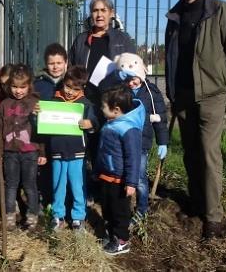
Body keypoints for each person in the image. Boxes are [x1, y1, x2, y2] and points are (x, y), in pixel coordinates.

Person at [164, 0, 226, 239]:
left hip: (212, 94)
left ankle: (213, 217)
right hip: (184, 96)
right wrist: (171, 92)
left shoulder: (222, 11)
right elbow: (171, 57)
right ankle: (197, 204)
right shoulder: (174, 16)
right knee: (190, 154)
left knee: (209, 155)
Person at [100, 52, 169, 220]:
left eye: (134, 78)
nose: (131, 83)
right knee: (124, 174)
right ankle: (123, 203)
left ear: (141, 73)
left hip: (142, 143)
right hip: (121, 143)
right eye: (127, 79)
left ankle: (142, 208)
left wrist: (162, 142)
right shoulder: (122, 92)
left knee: (139, 177)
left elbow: (160, 118)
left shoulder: (151, 94)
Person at [37, 66, 99, 231]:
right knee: (58, 185)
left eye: (75, 88)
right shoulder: (53, 102)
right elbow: (43, 123)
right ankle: (58, 216)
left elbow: (95, 124)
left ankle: (78, 217)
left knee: (78, 186)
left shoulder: (86, 105)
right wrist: (39, 114)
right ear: (63, 83)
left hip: (78, 154)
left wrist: (89, 124)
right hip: (57, 152)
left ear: (82, 88)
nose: (70, 91)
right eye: (68, 86)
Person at [95, 85, 144, 255]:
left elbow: (133, 158)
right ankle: (111, 234)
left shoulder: (129, 129)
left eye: (103, 106)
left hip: (120, 180)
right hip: (107, 176)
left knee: (120, 211)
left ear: (115, 110)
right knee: (107, 208)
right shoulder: (111, 123)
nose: (101, 109)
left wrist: (131, 182)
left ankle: (122, 241)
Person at [0, 64, 47, 230]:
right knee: (11, 185)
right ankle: (9, 215)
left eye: (22, 87)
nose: (18, 91)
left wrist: (42, 151)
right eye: (14, 87)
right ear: (9, 85)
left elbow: (41, 129)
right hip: (10, 152)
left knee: (30, 185)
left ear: (29, 86)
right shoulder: (4, 105)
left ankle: (32, 215)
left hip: (30, 152)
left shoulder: (36, 103)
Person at [68, 0, 136, 104]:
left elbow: (134, 68)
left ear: (111, 13)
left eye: (103, 10)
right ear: (91, 14)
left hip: (114, 101)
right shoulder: (81, 40)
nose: (99, 14)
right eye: (95, 10)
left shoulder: (123, 39)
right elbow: (70, 68)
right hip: (85, 100)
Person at [33, 43, 68, 208]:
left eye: (59, 63)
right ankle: (44, 198)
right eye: (51, 63)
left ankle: (62, 200)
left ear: (66, 63)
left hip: (65, 136)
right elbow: (30, 103)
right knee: (44, 167)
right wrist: (33, 108)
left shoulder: (71, 82)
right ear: (46, 64)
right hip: (45, 136)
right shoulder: (38, 84)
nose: (55, 67)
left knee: (63, 168)